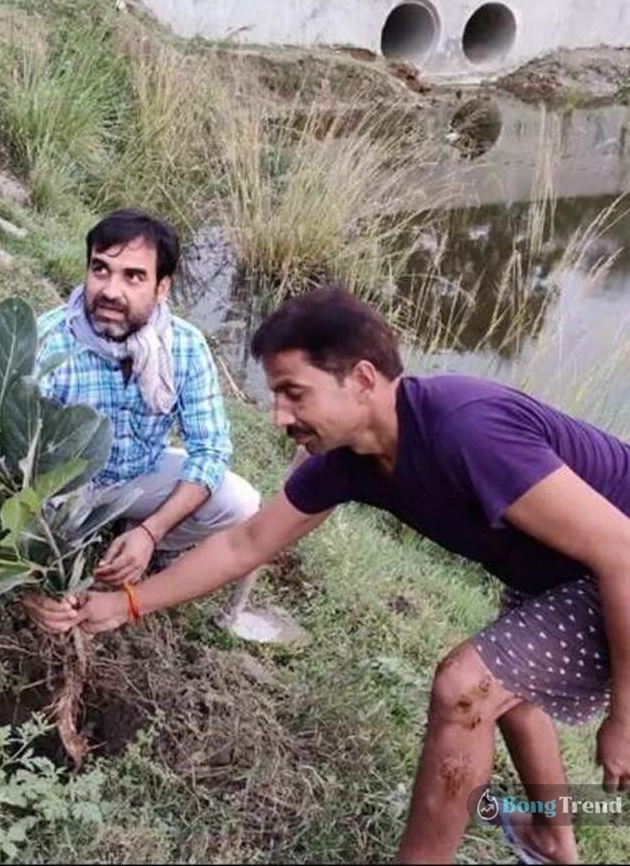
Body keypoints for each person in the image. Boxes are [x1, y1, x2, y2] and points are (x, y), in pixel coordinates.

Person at [72, 286, 630, 864]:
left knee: (466, 688)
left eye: (294, 393)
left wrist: (625, 715)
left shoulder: (467, 429)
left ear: (362, 379)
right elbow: (246, 544)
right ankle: (551, 839)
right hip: (565, 565)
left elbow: (621, 551)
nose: (279, 416)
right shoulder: (347, 459)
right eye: (274, 395)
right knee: (509, 689)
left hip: (617, 559)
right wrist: (124, 603)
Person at [21, 208, 260, 631]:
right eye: (100, 270)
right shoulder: (49, 342)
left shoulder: (183, 346)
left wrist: (151, 532)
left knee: (240, 504)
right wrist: (29, 582)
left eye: (133, 276)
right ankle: (74, 546)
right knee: (35, 541)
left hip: (139, 475)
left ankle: (144, 536)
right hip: (61, 487)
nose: (110, 290)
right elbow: (12, 463)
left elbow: (210, 449)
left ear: (161, 287)